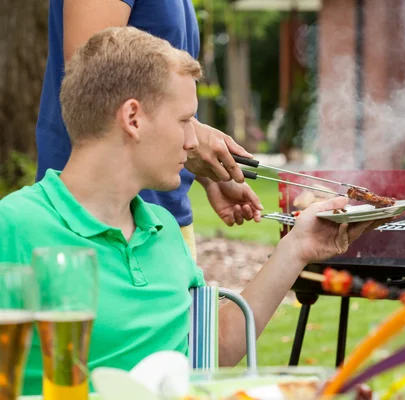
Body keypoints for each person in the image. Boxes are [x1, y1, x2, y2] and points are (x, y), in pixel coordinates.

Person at [0, 27, 383, 395]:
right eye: (185, 121)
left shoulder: (161, 227)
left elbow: (211, 348)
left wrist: (298, 247)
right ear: (133, 119)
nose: (192, 142)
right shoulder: (14, 226)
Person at [36, 0, 259, 260]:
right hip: (94, 222)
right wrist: (196, 135)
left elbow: (163, 94)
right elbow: (89, 78)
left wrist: (206, 171)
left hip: (161, 219)